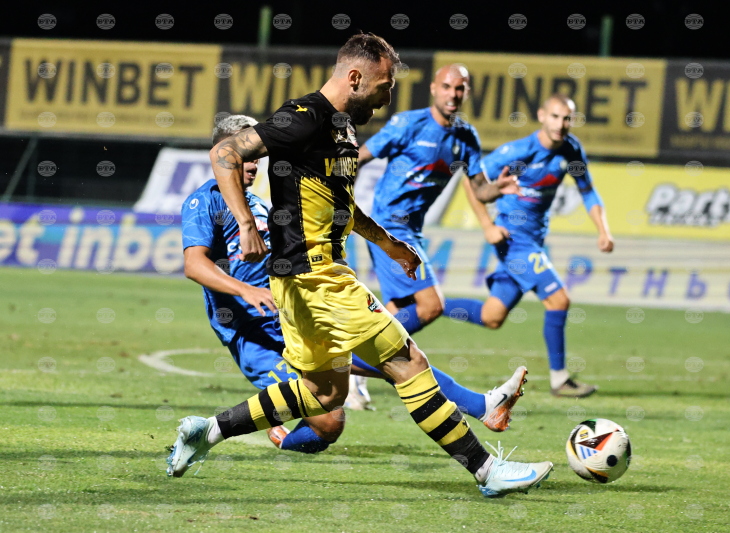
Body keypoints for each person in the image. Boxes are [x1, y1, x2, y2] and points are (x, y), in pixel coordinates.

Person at [166, 33, 552, 498]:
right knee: (409, 362)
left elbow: (343, 204)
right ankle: (488, 471)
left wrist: (389, 244)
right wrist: (246, 224)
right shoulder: (303, 116)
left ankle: (207, 431)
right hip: (317, 277)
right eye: (384, 86)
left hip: (306, 281)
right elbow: (225, 154)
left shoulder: (342, 129)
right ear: (354, 77)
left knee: (326, 394)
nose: (386, 98)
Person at [178, 114, 529, 455]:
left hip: (297, 315)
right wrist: (247, 291)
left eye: (257, 157)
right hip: (255, 336)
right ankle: (276, 437)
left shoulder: (260, 204)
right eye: (248, 156)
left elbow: (339, 211)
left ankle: (484, 406)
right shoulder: (204, 201)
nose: (255, 164)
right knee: (330, 422)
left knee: (396, 359)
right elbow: (194, 265)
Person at [443, 94, 615, 398]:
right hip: (513, 240)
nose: (561, 124)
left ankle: (429, 304)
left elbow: (588, 191)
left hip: (533, 241)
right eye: (555, 117)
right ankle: (560, 380)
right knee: (559, 301)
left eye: (567, 118)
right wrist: (487, 226)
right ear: (542, 116)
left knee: (492, 316)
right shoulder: (518, 151)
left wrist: (603, 230)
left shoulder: (571, 150)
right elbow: (471, 180)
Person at [356, 64, 518, 335]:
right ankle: (357, 355)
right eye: (446, 87)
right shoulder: (409, 124)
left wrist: (498, 188)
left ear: (467, 93)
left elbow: (480, 190)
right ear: (433, 89)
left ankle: (358, 359)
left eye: (459, 89)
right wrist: (342, 197)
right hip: (389, 226)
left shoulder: (466, 137)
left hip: (411, 230)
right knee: (431, 305)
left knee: (400, 310)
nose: (452, 94)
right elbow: (360, 157)